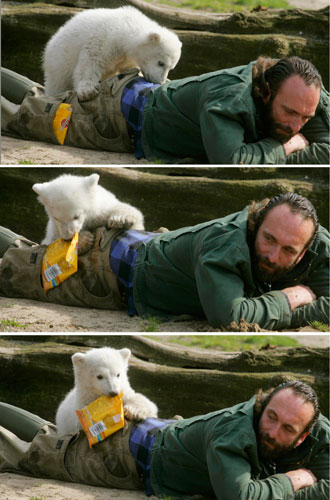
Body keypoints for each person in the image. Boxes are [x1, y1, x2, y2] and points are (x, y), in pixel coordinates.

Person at [0, 192, 328, 330]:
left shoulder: (315, 241)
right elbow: (231, 315)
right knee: (11, 268)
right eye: (269, 240)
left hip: (137, 246)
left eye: (288, 251)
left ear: (307, 249)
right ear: (257, 222)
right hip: (107, 268)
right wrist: (291, 298)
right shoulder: (226, 244)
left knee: (24, 253)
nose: (274, 256)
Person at [0, 380, 329, 499]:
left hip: (146, 425)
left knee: (49, 434)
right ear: (264, 404)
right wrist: (295, 479)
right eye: (271, 417)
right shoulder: (235, 434)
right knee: (29, 453)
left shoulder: (302, 420)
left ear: (304, 437)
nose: (272, 431)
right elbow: (242, 496)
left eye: (288, 428)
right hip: (125, 455)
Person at [1, 56, 329, 164]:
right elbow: (232, 160)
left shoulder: (294, 84)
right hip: (117, 117)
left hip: (135, 97)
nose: (298, 125)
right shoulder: (231, 98)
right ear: (266, 92)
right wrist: (285, 147)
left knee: (41, 101)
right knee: (24, 118)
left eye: (306, 118)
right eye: (290, 113)